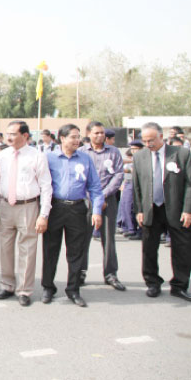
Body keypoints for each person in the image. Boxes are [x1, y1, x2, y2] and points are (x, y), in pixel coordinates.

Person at [42, 124, 104, 308]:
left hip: (77, 210)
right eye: (73, 137)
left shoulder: (85, 159)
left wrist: (97, 211)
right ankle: (48, 287)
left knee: (76, 252)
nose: (77, 140)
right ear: (62, 138)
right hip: (55, 209)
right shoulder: (49, 158)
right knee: (50, 250)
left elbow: (95, 187)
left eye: (78, 137)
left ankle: (74, 289)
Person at [0, 121, 52, 307]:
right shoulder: (3, 155)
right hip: (5, 206)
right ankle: (7, 285)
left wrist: (44, 214)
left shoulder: (37, 156)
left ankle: (24, 290)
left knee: (27, 249)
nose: (8, 137)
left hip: (28, 206)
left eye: (13, 134)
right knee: (5, 248)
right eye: (7, 134)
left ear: (25, 136)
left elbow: (46, 185)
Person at [133, 122, 191, 302]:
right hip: (151, 209)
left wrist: (188, 210)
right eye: (145, 140)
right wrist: (139, 210)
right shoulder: (140, 157)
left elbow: (190, 184)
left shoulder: (181, 154)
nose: (148, 143)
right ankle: (152, 282)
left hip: (175, 209)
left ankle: (179, 285)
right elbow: (137, 186)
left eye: (151, 140)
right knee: (149, 248)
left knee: (182, 249)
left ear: (161, 137)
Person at [79, 122, 126, 290]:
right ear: (89, 134)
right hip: (86, 201)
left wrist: (102, 196)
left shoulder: (113, 152)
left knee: (108, 239)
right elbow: (79, 177)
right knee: (83, 239)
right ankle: (81, 272)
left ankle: (110, 274)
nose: (100, 136)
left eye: (102, 133)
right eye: (96, 133)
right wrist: (92, 197)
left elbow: (119, 174)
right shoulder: (81, 152)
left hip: (108, 200)